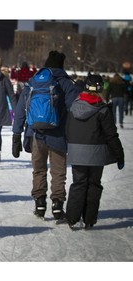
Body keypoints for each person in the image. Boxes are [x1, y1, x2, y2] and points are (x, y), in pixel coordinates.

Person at [12, 50, 82, 221]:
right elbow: (76, 110)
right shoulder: (65, 82)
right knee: (58, 172)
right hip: (58, 135)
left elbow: (21, 108)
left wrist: (16, 134)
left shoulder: (34, 81)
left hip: (35, 133)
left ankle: (40, 203)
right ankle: (57, 206)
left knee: (39, 170)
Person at [65, 74, 125, 230]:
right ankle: (89, 219)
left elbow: (67, 129)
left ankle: (72, 218)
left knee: (78, 184)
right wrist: (119, 154)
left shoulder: (73, 106)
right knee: (93, 184)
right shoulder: (103, 109)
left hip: (76, 151)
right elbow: (111, 134)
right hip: (96, 153)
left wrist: (70, 147)